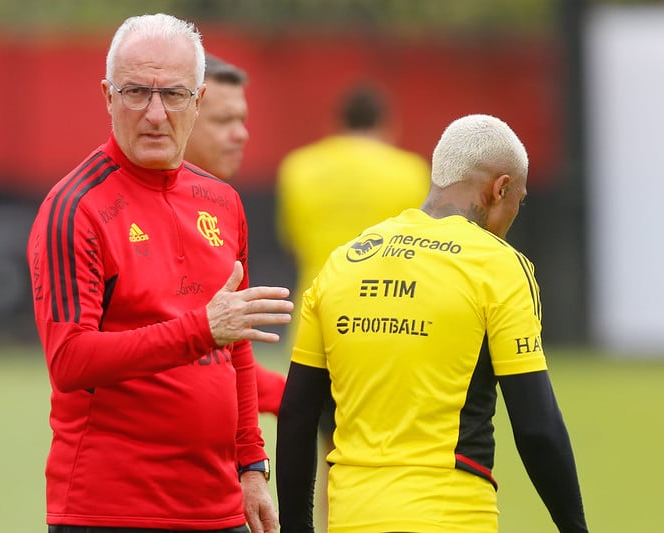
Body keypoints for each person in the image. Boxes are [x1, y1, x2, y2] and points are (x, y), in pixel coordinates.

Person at [26, 13, 293, 533]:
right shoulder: (74, 208)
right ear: (107, 96)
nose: (154, 114)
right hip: (109, 512)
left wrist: (252, 467)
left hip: (219, 509)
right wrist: (202, 329)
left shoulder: (222, 200)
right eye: (135, 93)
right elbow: (70, 359)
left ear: (197, 100)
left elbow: (235, 348)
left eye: (172, 95)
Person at [276, 114, 589, 532]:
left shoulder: (343, 262)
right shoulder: (499, 267)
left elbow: (297, 416)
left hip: (352, 517)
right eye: (520, 199)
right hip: (452, 518)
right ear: (501, 189)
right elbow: (536, 427)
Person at [275, 84, 431, 529]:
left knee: (326, 454)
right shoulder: (411, 171)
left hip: (317, 325)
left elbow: (294, 239)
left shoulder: (299, 168)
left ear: (336, 123)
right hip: (390, 327)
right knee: (387, 458)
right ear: (388, 124)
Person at [184, 53, 286, 416]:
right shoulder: (141, 210)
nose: (241, 133)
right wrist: (295, 397)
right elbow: (188, 358)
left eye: (242, 119)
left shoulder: (221, 205)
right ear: (185, 117)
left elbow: (224, 356)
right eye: (224, 120)